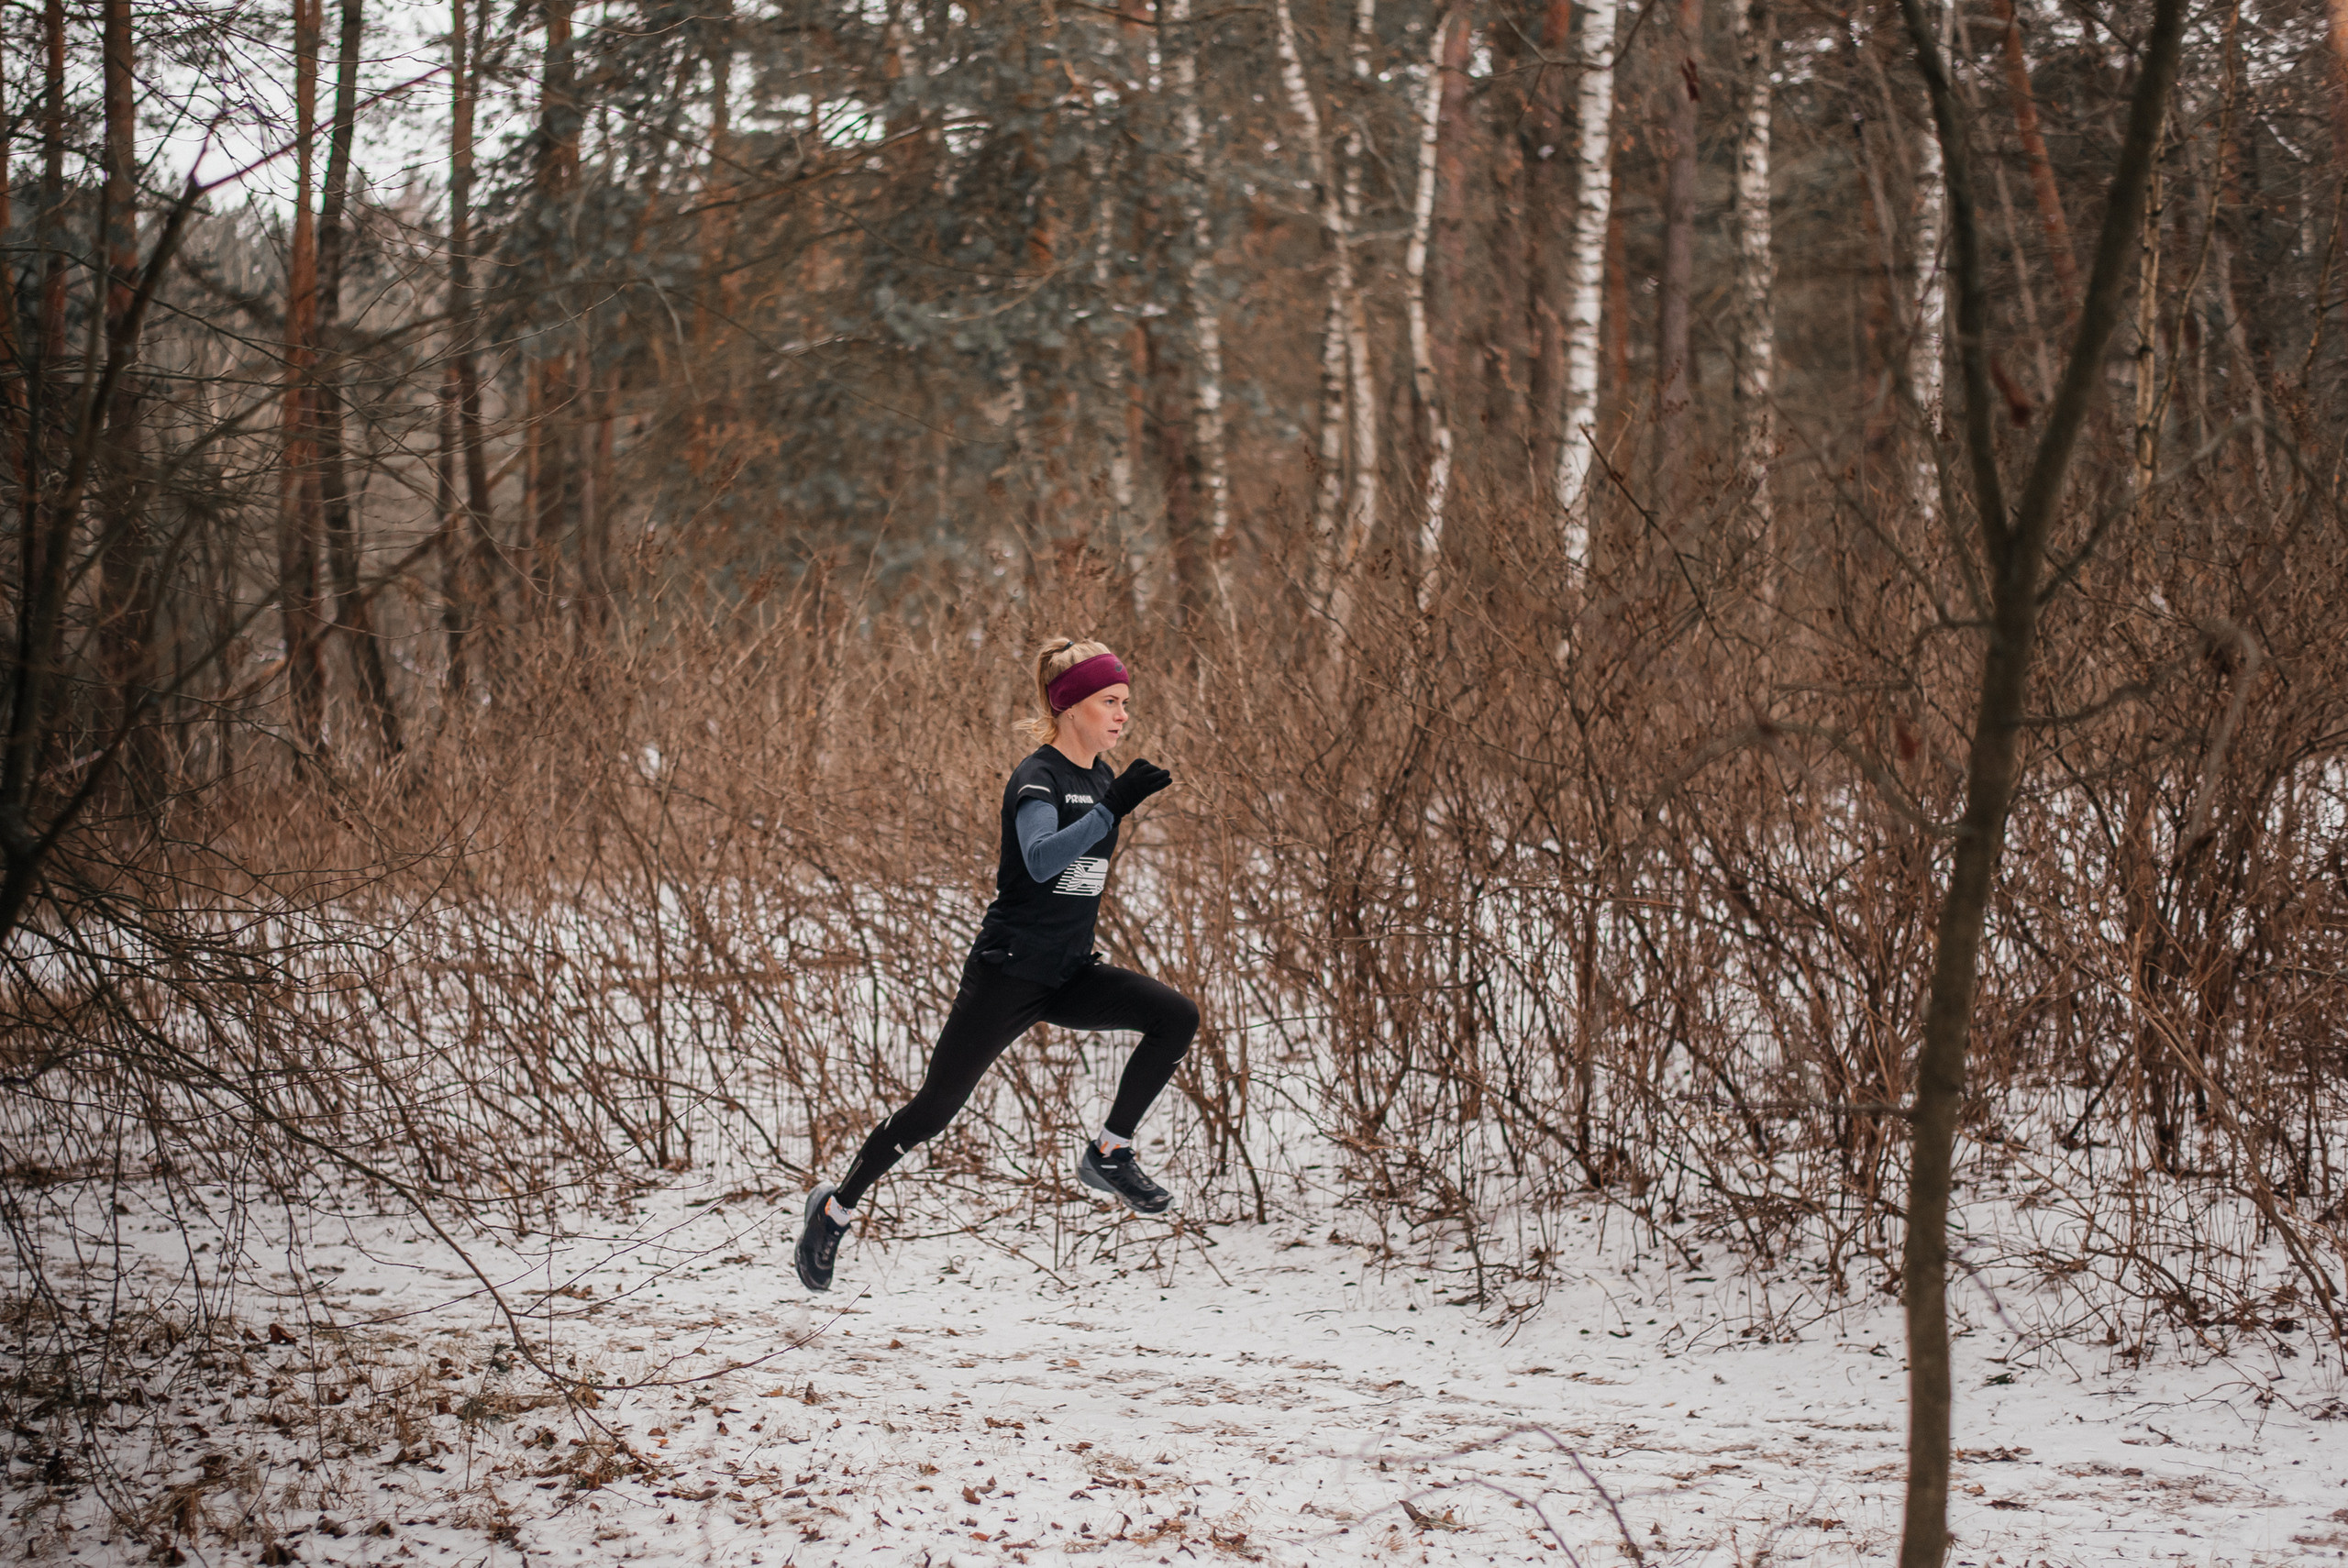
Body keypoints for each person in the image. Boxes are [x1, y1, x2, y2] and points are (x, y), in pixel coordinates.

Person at [793, 638, 1199, 1292]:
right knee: (933, 1112)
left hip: (1068, 973)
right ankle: (834, 1211)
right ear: (1070, 706)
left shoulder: (1099, 778)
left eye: (1126, 703)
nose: (1123, 715)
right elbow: (1040, 861)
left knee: (1175, 1016)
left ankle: (1109, 1152)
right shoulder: (1038, 779)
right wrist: (1111, 808)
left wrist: (1109, 801)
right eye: (1110, 702)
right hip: (1009, 976)